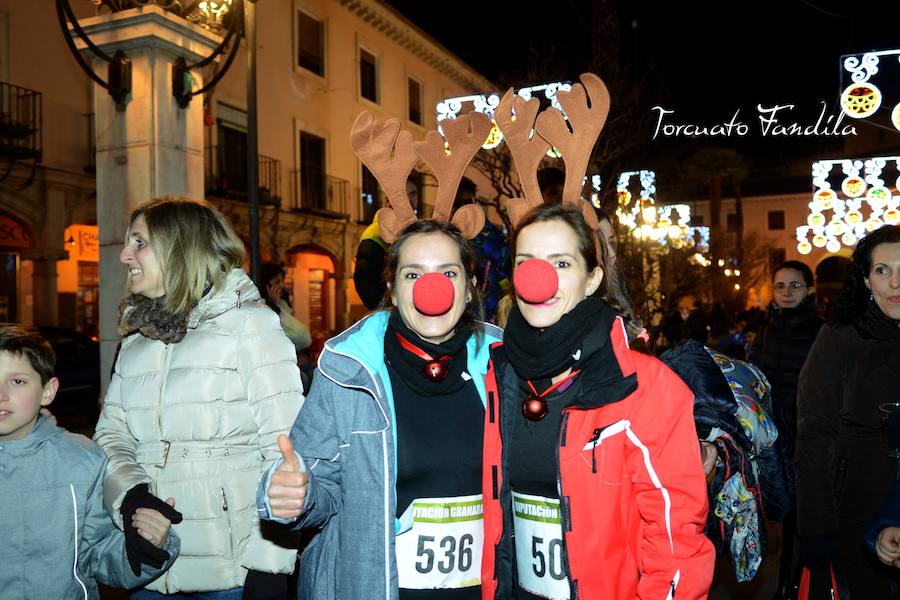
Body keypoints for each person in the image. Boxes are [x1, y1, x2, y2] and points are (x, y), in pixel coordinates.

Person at [258, 219, 502, 600]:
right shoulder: (350, 369)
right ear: (391, 288)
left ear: (470, 288)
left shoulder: (502, 364)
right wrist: (298, 494)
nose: (430, 288)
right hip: (377, 587)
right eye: (412, 274)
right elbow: (319, 489)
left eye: (448, 272)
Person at [482, 203, 715, 600]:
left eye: (561, 264)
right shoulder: (497, 373)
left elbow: (676, 536)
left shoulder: (645, 385)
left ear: (592, 281)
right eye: (527, 262)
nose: (540, 278)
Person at [93, 197, 304, 598]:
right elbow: (111, 436)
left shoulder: (250, 326)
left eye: (140, 242)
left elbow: (286, 449)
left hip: (232, 574)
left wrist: (271, 566)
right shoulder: (137, 341)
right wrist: (132, 498)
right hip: (151, 566)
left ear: (180, 247)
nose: (124, 256)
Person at [0, 324, 179, 599]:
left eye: (17, 381)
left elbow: (100, 552)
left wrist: (149, 544)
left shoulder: (80, 461)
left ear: (48, 390)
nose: (1, 394)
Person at [795, 224, 900, 597]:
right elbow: (814, 436)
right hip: (856, 516)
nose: (895, 283)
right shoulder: (841, 337)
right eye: (882, 270)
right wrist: (816, 527)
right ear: (867, 281)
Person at [747, 260, 821, 595]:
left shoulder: (822, 331)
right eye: (780, 286)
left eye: (795, 286)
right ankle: (786, 583)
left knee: (803, 520)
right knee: (781, 515)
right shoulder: (765, 333)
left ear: (810, 290)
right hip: (775, 440)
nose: (787, 293)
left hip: (808, 437)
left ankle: (795, 585)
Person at [355, 177, 420, 309]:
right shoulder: (374, 234)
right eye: (402, 194)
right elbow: (365, 283)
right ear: (387, 200)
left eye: (413, 193)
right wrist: (387, 312)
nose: (409, 199)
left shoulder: (416, 232)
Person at [258, 261, 312, 355]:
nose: (282, 285)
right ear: (266, 286)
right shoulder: (261, 308)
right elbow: (302, 337)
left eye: (282, 281)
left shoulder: (282, 303)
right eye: (277, 282)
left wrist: (278, 305)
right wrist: (276, 308)